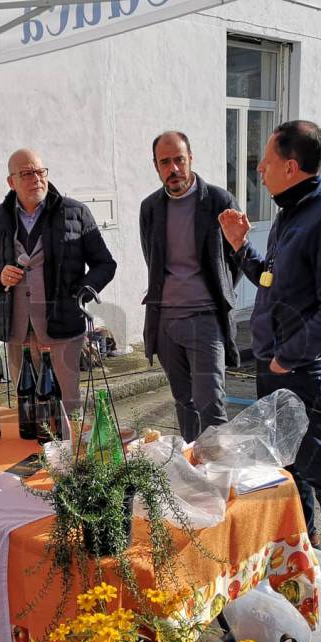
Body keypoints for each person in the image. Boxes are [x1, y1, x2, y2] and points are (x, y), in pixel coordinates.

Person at [219, 120, 321, 561]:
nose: (259, 167)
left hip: (297, 368)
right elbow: (268, 279)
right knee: (288, 462)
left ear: (292, 167)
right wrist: (241, 246)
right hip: (273, 364)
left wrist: (287, 358)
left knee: (320, 465)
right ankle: (305, 542)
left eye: (267, 160)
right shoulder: (289, 214)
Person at [0, 149, 116, 412]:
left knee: (67, 408)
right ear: (11, 182)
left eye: (40, 171)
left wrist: (82, 292)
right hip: (16, 332)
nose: (36, 178)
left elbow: (105, 264)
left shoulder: (75, 212)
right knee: (27, 407)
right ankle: (33, 454)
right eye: (26, 173)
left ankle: (70, 452)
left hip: (62, 327)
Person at [140, 131, 244, 443]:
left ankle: (218, 477)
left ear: (191, 159)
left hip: (205, 318)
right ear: (156, 166)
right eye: (165, 162)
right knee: (183, 402)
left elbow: (236, 259)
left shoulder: (219, 201)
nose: (173, 169)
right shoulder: (150, 208)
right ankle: (192, 468)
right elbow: (153, 260)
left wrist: (214, 292)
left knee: (211, 405)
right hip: (165, 322)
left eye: (179, 160)